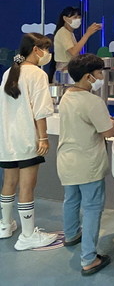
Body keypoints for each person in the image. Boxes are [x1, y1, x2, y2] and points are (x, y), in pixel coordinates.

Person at [57, 54, 114, 276]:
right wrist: (113, 124)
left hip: (67, 160)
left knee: (71, 200)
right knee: (92, 208)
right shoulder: (92, 101)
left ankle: (71, 234)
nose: (101, 77)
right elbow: (107, 131)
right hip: (87, 163)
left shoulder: (67, 96)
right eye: (99, 73)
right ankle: (89, 259)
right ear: (88, 76)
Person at [0, 33, 58, 250]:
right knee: (27, 185)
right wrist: (43, 137)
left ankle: (5, 225)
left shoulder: (9, 72)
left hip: (7, 138)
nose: (48, 53)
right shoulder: (37, 74)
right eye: (46, 48)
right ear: (36, 49)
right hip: (27, 138)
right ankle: (27, 235)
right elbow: (40, 110)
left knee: (9, 182)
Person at [51, 6, 102, 82]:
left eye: (79, 17)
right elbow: (73, 52)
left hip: (70, 69)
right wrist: (87, 34)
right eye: (74, 17)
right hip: (64, 72)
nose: (78, 19)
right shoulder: (63, 32)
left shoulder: (70, 33)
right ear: (65, 18)